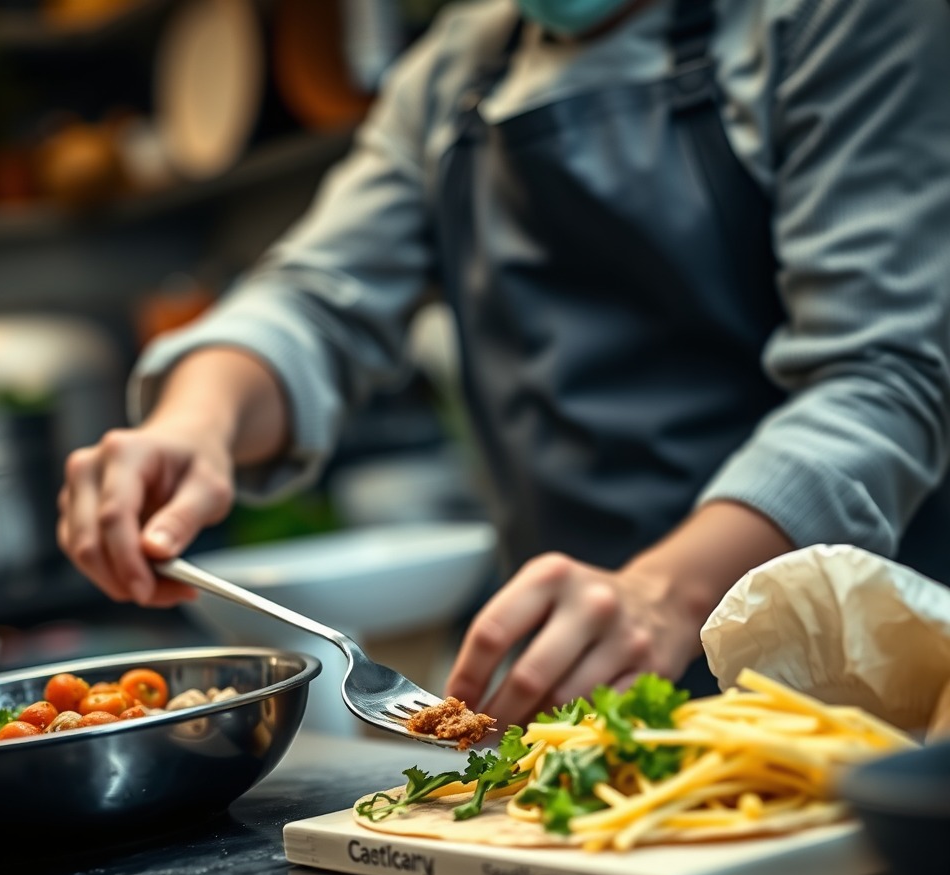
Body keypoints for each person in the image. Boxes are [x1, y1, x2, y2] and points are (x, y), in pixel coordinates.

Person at [57, 0, 950, 726]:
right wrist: (193, 422)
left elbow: (880, 376)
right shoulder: (454, 72)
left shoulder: (841, 19)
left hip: (852, 698)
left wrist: (661, 595)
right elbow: (315, 299)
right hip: (574, 690)